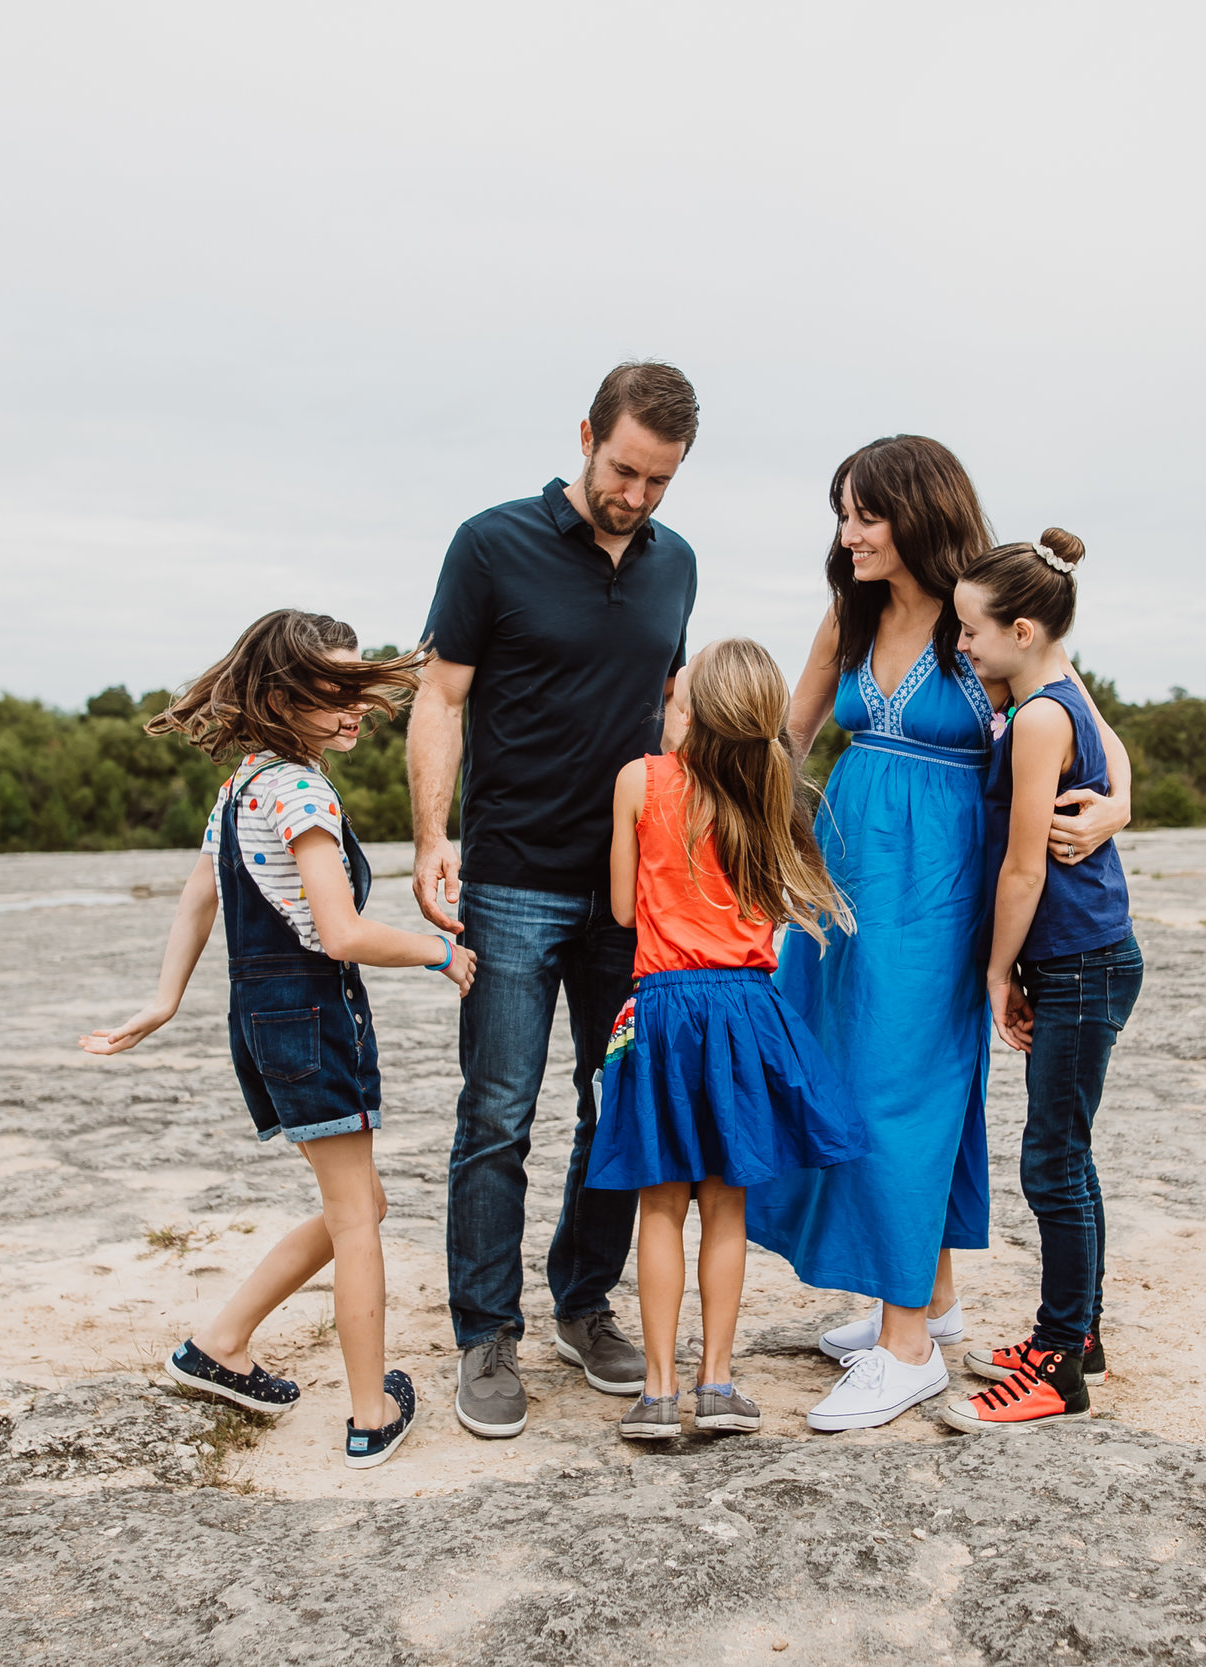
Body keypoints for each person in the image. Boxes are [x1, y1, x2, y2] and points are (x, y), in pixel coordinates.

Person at [744, 435, 1132, 1433]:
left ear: (914, 509)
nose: (849, 533)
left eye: (864, 513)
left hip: (942, 878)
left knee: (903, 1086)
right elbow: (792, 731)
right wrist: (737, 832)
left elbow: (1083, 718)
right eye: (842, 513)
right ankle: (930, 1294)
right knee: (838, 1071)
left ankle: (905, 1345)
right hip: (846, 873)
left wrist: (1115, 807)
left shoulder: (982, 609)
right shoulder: (854, 607)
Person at [81, 610, 478, 1472]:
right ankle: (371, 1413)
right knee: (357, 1217)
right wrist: (438, 949)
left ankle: (218, 1343)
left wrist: (163, 1001)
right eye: (327, 694)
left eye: (354, 692)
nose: (350, 711)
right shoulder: (299, 791)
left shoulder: (243, 785)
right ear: (276, 695)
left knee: (358, 1204)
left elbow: (198, 894)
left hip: (259, 1017)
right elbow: (339, 933)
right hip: (311, 1013)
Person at [408, 362, 703, 1438]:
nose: (635, 496)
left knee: (614, 1106)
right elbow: (440, 697)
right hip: (512, 879)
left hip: (631, 892)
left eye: (659, 481)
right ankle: (486, 1331)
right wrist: (434, 835)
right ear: (586, 434)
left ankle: (583, 1300)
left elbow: (670, 709)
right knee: (497, 1112)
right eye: (623, 469)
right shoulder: (490, 543)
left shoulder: (677, 566)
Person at [588, 639, 866, 1441]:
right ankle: (716, 1383)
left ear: (694, 708)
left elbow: (620, 910)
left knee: (660, 1206)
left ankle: (657, 1390)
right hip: (745, 1010)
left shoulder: (640, 780)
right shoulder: (772, 789)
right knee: (726, 1207)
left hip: (664, 1012)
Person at [941, 532, 1145, 1431]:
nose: (963, 646)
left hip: (1078, 962)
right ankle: (1078, 1333)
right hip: (1087, 959)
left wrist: (995, 973)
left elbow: (1024, 869)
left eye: (973, 633)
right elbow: (1112, 759)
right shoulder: (1058, 688)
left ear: (1022, 629)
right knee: (1068, 1153)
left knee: (1053, 1162)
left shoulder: (1035, 719)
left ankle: (1060, 1364)